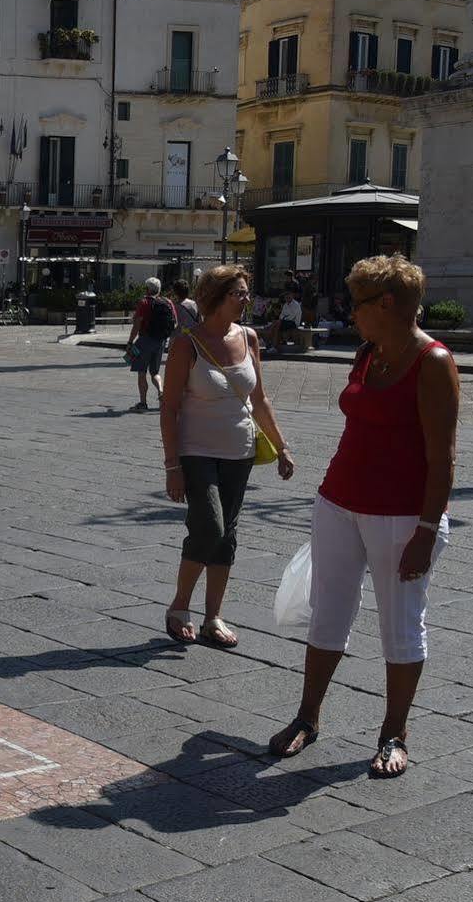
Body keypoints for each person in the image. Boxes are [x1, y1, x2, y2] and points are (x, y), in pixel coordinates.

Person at [270, 255, 457, 781]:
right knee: (328, 611)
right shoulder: (369, 352)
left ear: (389, 304)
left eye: (359, 303)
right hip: (338, 502)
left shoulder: (433, 363)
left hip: (400, 515)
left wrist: (426, 529)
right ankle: (308, 716)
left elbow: (442, 458)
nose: (352, 313)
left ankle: (394, 732)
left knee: (400, 625)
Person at [159, 264, 295, 648]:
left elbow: (259, 398)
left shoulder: (249, 337)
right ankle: (179, 605)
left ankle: (212, 617)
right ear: (216, 298)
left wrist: (281, 446)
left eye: (246, 292)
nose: (246, 299)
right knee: (210, 527)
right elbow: (169, 408)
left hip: (240, 451)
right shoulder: (187, 343)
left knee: (227, 535)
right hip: (196, 451)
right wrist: (172, 466)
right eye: (239, 293)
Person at [124, 277, 175, 411]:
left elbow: (137, 325)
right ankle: (161, 392)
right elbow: (174, 323)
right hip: (160, 341)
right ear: (159, 289)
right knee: (155, 372)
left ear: (147, 289)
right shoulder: (168, 302)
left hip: (145, 339)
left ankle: (143, 403)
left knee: (142, 372)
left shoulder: (144, 302)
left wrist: (130, 341)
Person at [263, 285, 305, 354]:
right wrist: (281, 319)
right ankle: (273, 346)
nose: (287, 297)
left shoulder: (296, 304)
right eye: (286, 296)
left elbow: (291, 317)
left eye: (289, 296)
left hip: (293, 323)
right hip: (285, 322)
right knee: (277, 325)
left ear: (292, 296)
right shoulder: (285, 305)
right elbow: (281, 316)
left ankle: (268, 333)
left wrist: (282, 319)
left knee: (277, 323)